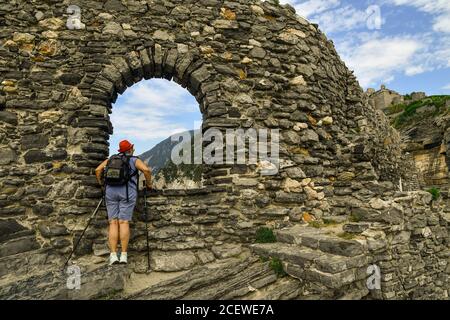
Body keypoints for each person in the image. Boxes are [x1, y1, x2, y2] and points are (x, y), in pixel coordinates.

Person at [95, 140, 153, 265]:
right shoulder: (133, 160)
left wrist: (102, 185)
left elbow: (98, 170)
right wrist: (149, 185)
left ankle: (113, 255)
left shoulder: (111, 159)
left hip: (110, 193)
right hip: (127, 194)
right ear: (131, 149)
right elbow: (147, 171)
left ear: (120, 151)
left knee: (113, 222)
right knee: (123, 221)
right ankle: (124, 256)